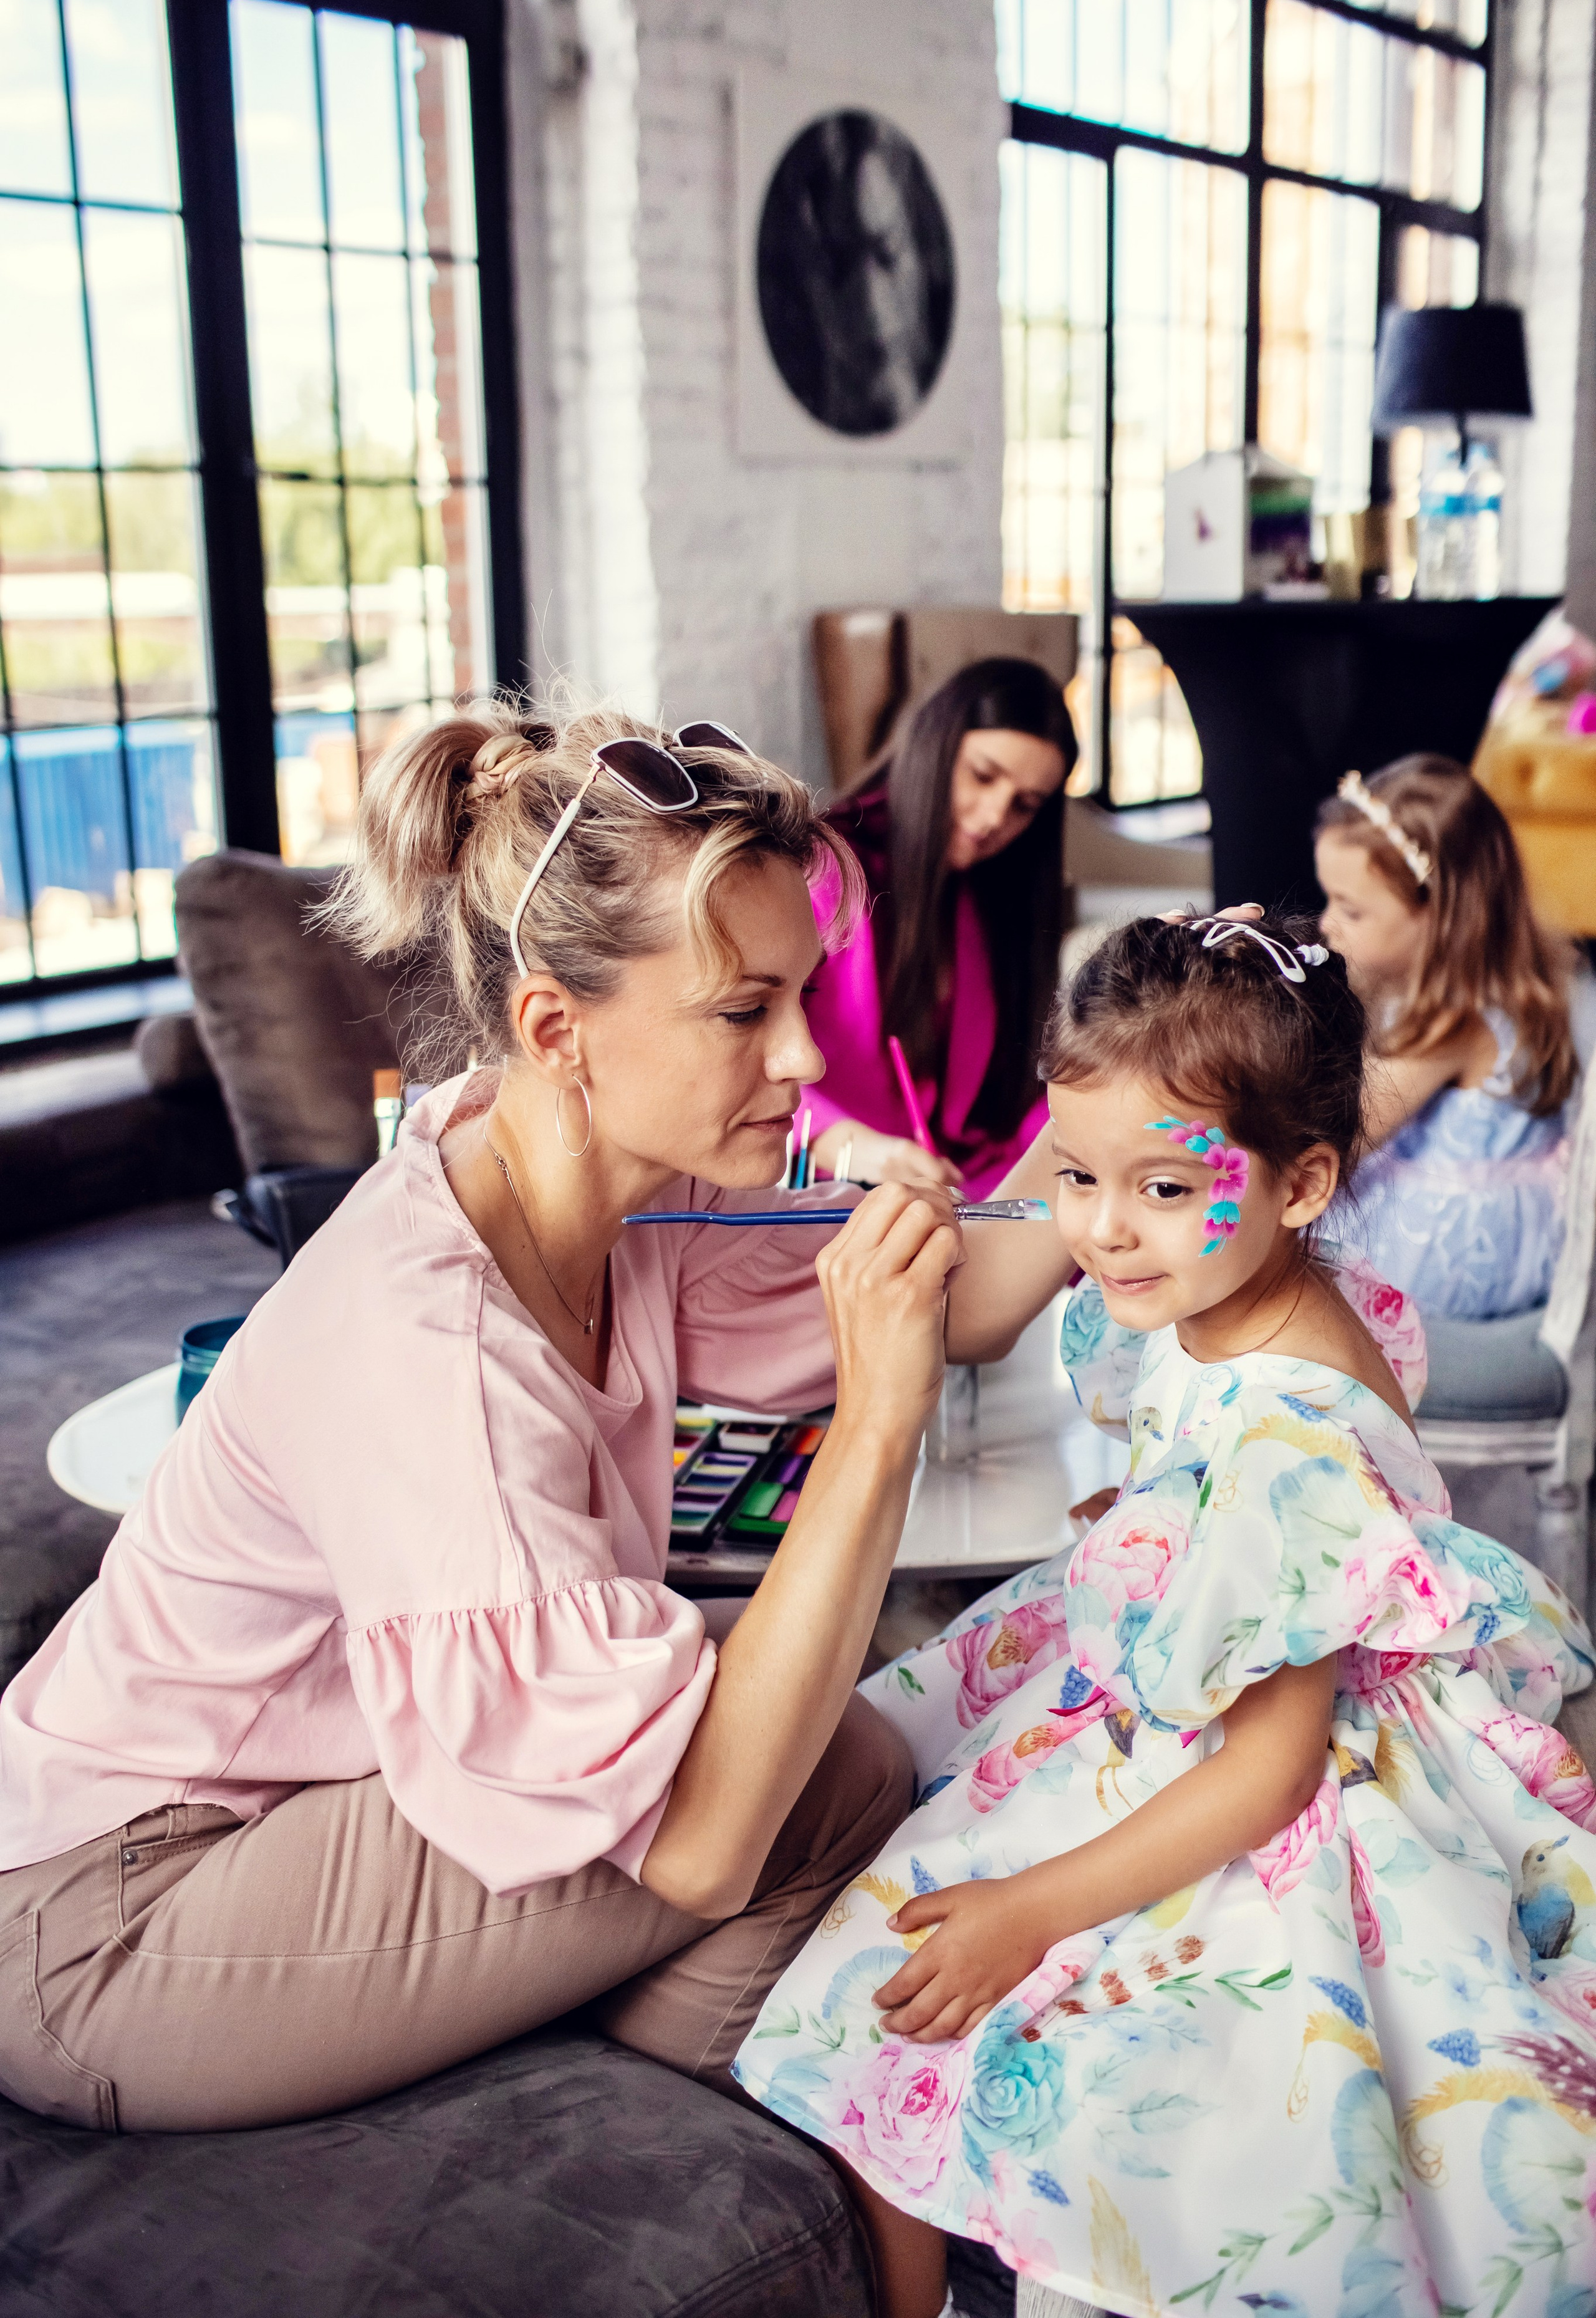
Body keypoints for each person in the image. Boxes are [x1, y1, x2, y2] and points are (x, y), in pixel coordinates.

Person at [0, 698, 1001, 2137]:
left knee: (804, 1726)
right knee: (799, 1766)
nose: (799, 1061)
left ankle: (670, 2074)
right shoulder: (433, 1344)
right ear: (556, 1026)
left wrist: (1132, 1173)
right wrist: (878, 1429)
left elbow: (945, 1288)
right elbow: (711, 1841)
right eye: (742, 1012)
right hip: (111, 1920)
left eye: (796, 999)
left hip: (288, 1808)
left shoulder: (566, 1170)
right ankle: (720, 2119)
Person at [733, 910, 1596, 2318]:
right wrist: (1153, 1527)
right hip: (1202, 1664)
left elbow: (1263, 1764)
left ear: (1299, 1181)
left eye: (1159, 1184)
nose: (1101, 1230)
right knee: (889, 1912)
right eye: (1073, 1176)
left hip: (1262, 1777)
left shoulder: (1283, 1429)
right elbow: (1209, 1485)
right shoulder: (1239, 1292)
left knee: (893, 1985)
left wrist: (1030, 1908)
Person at [800, 657, 1077, 1196]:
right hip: (824, 1179)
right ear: (935, 745)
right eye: (982, 775)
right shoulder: (822, 868)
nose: (996, 816)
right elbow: (734, 1052)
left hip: (962, 1179)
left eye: (1024, 805)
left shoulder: (995, 896)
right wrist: (848, 1144)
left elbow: (1015, 1103)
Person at [1314, 754, 1577, 1319]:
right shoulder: (1458, 986)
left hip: (1455, 1244)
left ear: (1440, 916)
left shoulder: (1455, 1018)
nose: (1326, 923)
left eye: (1352, 911)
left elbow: (1349, 1130)